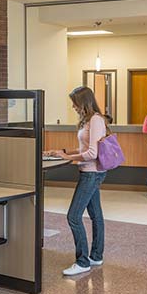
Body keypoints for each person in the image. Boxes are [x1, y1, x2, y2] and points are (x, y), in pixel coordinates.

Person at [48, 86, 107, 276]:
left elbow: (92, 153)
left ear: (83, 102)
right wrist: (63, 152)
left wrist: (69, 159)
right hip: (89, 172)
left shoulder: (96, 120)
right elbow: (84, 147)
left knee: (73, 216)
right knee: (95, 214)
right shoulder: (89, 120)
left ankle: (82, 261)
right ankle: (96, 256)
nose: (73, 106)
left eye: (75, 102)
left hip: (91, 173)